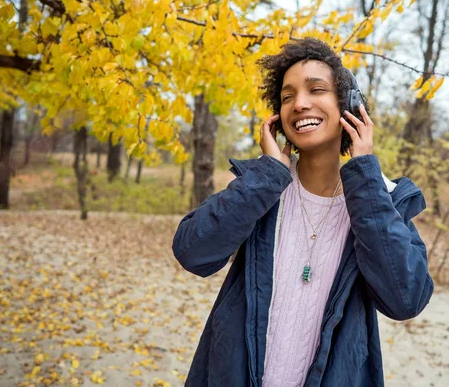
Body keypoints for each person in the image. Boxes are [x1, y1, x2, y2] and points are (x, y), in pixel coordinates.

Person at [172, 37, 433, 387]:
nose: (300, 104)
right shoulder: (263, 187)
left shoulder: (381, 197)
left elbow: (406, 299)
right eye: (287, 96)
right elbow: (192, 252)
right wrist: (269, 174)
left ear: (349, 105)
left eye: (316, 89)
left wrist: (365, 175)